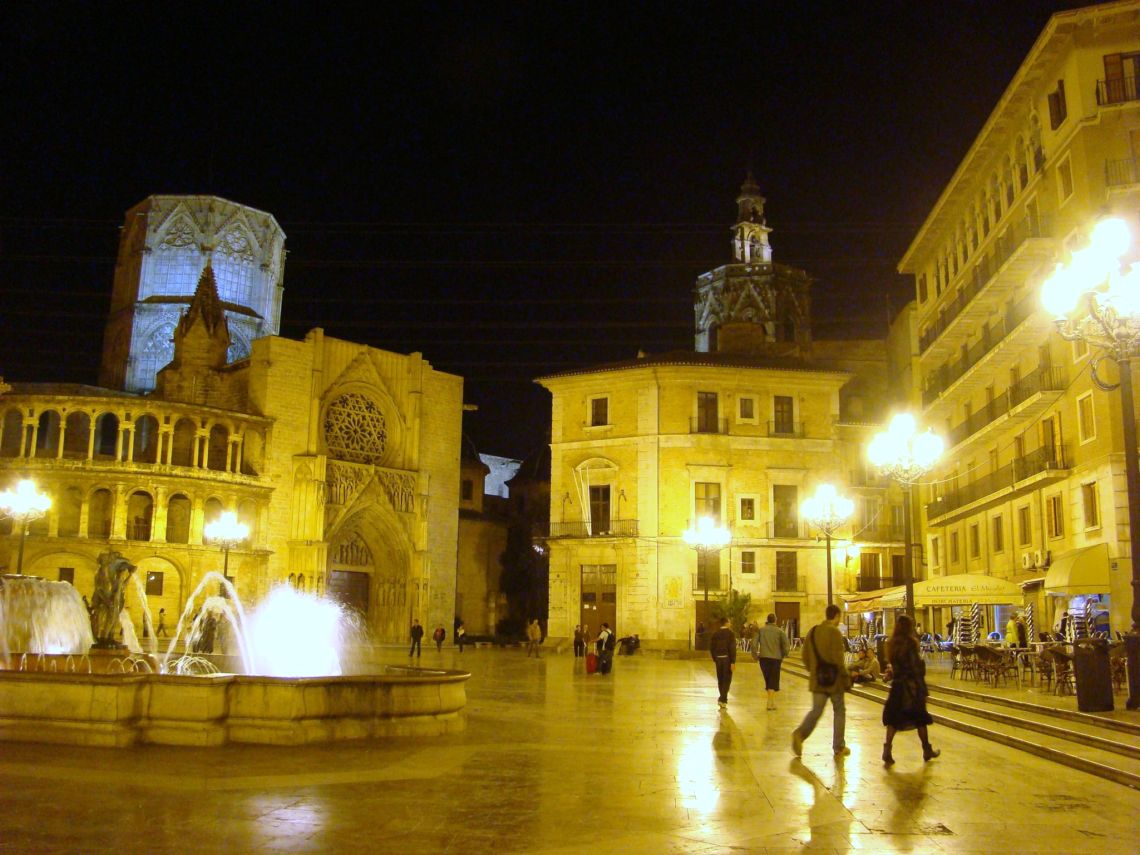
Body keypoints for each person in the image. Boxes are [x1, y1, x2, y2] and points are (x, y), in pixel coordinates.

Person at [791, 604, 850, 758]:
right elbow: (839, 660)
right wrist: (846, 677)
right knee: (839, 710)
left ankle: (800, 734)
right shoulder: (835, 633)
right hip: (834, 681)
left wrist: (814, 670)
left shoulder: (813, 631)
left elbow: (804, 656)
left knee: (816, 711)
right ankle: (838, 747)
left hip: (817, 680)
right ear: (836, 616)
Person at [882, 613, 939, 765]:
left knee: (893, 720)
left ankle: (887, 750)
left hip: (898, 687)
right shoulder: (911, 643)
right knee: (920, 719)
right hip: (911, 686)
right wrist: (922, 687)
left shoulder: (891, 644)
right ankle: (927, 749)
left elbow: (895, 666)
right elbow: (914, 667)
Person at [754, 613, 790, 710]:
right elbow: (786, 645)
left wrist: (755, 655)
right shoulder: (780, 631)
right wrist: (784, 654)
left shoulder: (761, 630)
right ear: (775, 620)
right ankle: (770, 703)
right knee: (773, 680)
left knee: (768, 680)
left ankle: (771, 701)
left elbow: (754, 644)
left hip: (764, 658)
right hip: (775, 659)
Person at [708, 616, 736, 708]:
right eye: (729, 622)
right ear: (726, 623)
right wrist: (733, 661)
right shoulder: (730, 633)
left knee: (720, 679)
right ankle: (723, 699)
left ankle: (722, 698)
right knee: (727, 679)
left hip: (718, 659)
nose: (730, 624)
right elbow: (732, 648)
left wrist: (715, 658)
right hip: (727, 659)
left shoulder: (716, 634)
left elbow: (712, 647)